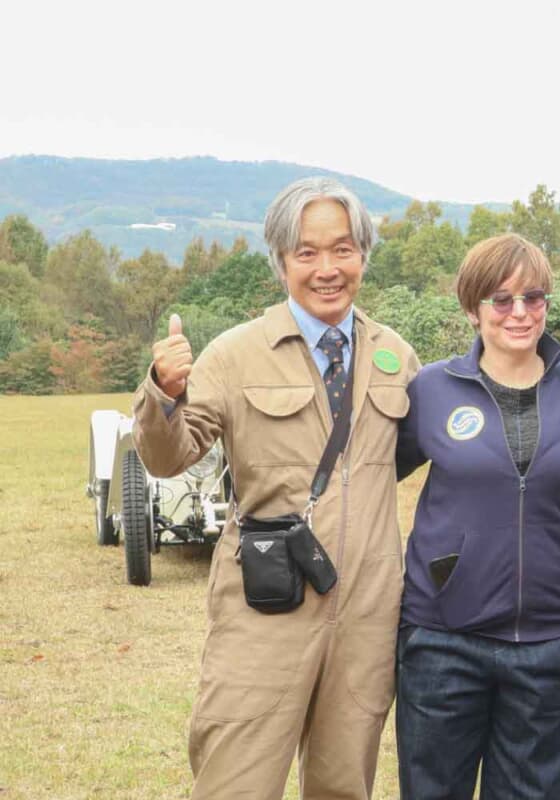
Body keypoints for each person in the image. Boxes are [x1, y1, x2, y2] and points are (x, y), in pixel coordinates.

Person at [133, 177, 419, 799]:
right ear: (281, 261)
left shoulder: (396, 355)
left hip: (366, 614)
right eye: (307, 252)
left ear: (363, 254)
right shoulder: (236, 354)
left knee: (344, 784)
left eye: (342, 249)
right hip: (266, 604)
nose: (327, 269)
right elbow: (168, 457)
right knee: (236, 780)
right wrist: (164, 392)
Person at [393, 233, 560, 799]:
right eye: (501, 299)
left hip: (544, 640)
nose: (519, 313)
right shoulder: (432, 389)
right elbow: (367, 479)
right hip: (442, 638)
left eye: (533, 298)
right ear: (472, 307)